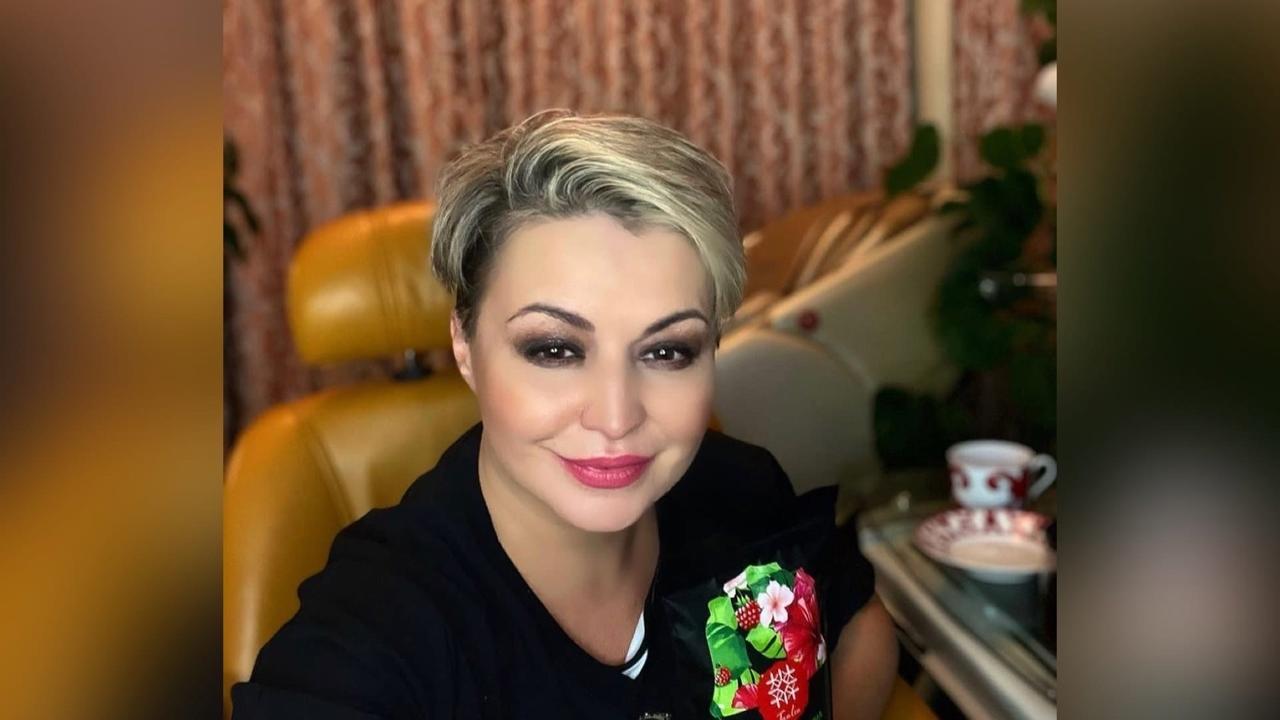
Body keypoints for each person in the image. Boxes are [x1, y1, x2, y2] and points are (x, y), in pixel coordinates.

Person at [231, 111, 898, 719]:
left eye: (667, 350)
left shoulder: (738, 492)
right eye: (554, 349)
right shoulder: (381, 627)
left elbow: (858, 625)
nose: (616, 416)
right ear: (464, 344)